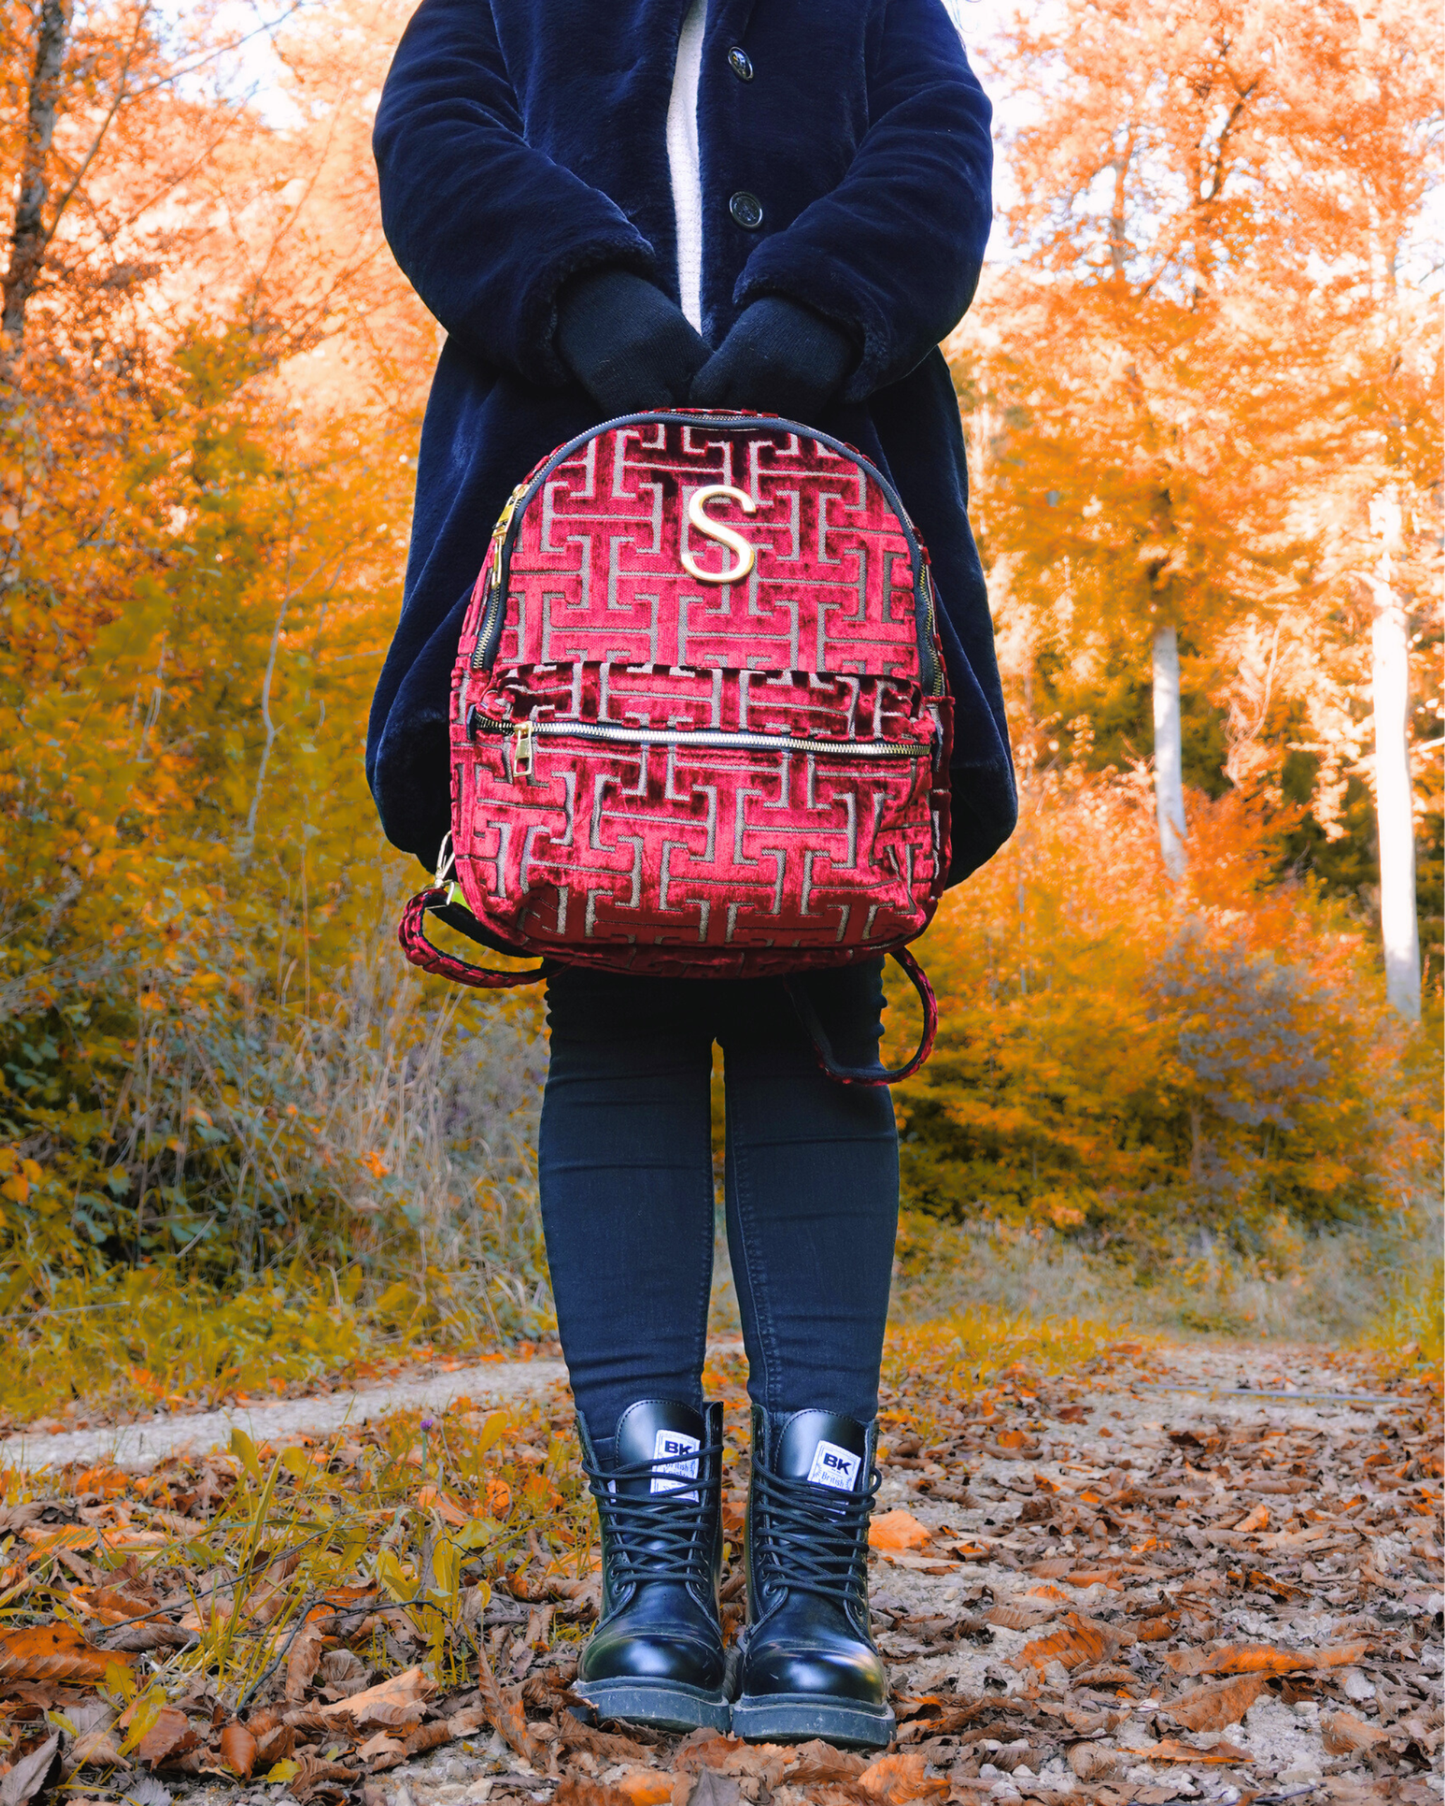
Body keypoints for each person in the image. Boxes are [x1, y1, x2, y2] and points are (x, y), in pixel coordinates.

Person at [368, 0, 1014, 1749]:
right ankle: (653, 1562)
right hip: (567, 557)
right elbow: (430, 140)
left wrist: (817, 305)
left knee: (820, 1017)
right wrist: (580, 293)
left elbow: (942, 154)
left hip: (835, 556)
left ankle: (812, 1577)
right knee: (621, 1017)